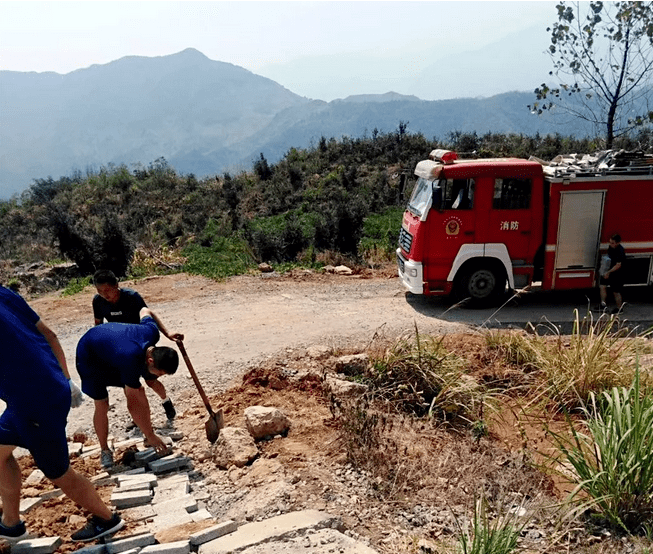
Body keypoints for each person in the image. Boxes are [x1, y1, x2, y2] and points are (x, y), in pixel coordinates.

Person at [0, 285, 124, 543]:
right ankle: (11, 524)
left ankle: (106, 519)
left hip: (34, 402)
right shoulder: (2, 292)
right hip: (44, 388)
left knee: (58, 473)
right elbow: (50, 334)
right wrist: (66, 380)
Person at [76, 307, 179, 468]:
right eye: (160, 374)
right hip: (90, 357)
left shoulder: (151, 333)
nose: (158, 377)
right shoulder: (130, 359)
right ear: (150, 360)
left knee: (139, 389)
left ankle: (148, 434)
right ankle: (105, 450)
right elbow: (134, 402)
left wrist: (168, 333)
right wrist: (151, 434)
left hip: (111, 349)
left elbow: (145, 311)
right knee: (102, 403)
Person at [92, 270, 182, 422]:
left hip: (142, 344)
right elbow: (98, 325)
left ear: (116, 285)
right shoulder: (98, 302)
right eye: (100, 291)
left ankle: (166, 401)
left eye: (107, 291)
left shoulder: (131, 297)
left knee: (151, 380)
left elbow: (149, 315)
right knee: (130, 386)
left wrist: (168, 333)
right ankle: (138, 418)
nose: (104, 295)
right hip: (122, 348)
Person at [598, 233, 626, 314]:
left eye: (612, 243)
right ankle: (603, 305)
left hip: (617, 273)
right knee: (602, 286)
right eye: (610, 242)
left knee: (616, 291)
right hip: (609, 270)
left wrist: (608, 272)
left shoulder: (620, 251)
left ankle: (619, 309)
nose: (610, 244)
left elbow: (618, 265)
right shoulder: (611, 247)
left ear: (618, 243)